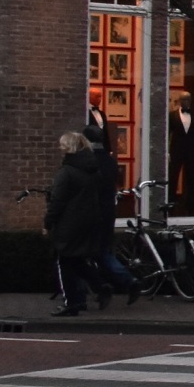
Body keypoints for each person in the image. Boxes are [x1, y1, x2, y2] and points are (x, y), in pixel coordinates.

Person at [44, 132, 106, 317]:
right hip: (89, 220)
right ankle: (100, 286)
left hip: (68, 223)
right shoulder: (93, 168)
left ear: (68, 147)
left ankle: (72, 303)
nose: (60, 148)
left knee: (64, 261)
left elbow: (57, 201)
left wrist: (48, 222)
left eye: (62, 145)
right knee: (76, 260)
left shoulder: (67, 171)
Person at [82, 107, 137, 306]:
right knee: (103, 250)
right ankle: (108, 286)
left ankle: (119, 283)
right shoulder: (110, 162)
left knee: (89, 253)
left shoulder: (89, 162)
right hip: (109, 211)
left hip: (92, 213)